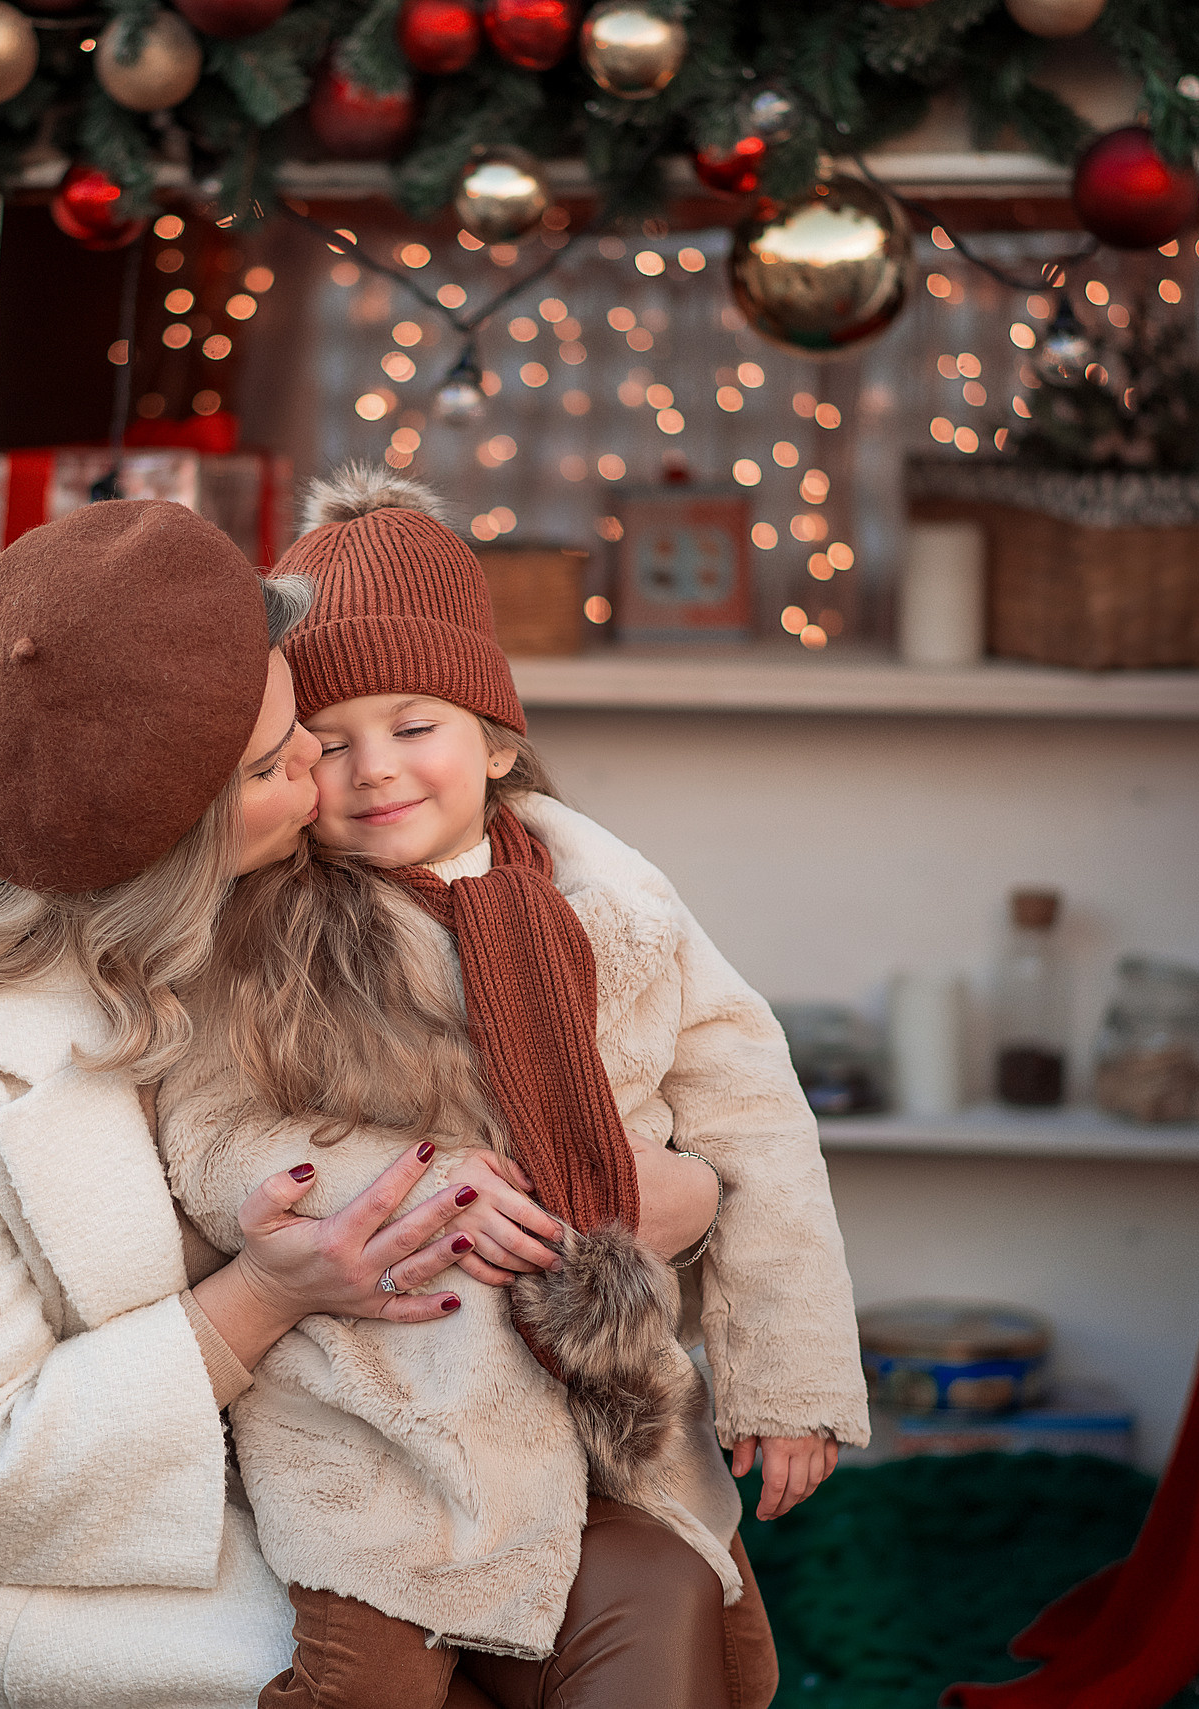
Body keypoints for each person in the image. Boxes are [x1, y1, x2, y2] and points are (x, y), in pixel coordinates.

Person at [157, 469, 870, 1709]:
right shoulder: (268, 928)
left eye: (414, 724)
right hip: (379, 1411)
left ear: (494, 736)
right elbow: (209, 1130)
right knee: (363, 1683)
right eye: (328, 743)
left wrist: (789, 1378)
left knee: (669, 1619)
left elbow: (756, 1119)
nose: (374, 769)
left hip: (603, 1408)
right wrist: (400, 1184)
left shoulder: (621, 904)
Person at [0, 499, 480, 1709]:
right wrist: (261, 1296)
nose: (326, 764)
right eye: (274, 765)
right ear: (165, 859)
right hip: (165, 1633)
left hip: (448, 1495)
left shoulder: (333, 866)